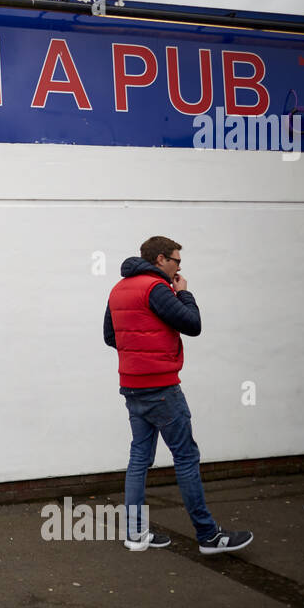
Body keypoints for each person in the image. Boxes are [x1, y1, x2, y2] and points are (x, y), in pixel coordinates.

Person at [104, 236, 253, 553]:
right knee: (185, 457)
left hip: (131, 386)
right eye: (176, 261)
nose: (179, 266)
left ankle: (136, 533)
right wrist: (184, 292)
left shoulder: (118, 290)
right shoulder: (155, 289)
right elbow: (192, 324)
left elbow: (109, 336)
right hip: (161, 387)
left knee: (139, 459)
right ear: (160, 260)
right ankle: (208, 535)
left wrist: (138, 354)